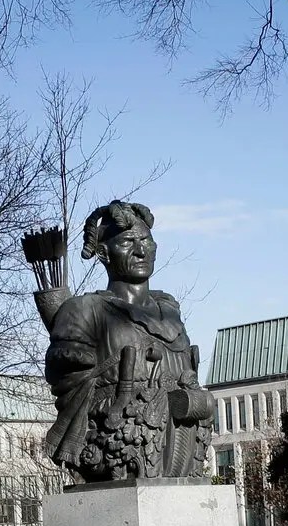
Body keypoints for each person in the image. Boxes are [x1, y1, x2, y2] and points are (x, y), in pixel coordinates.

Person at [34, 200, 215, 481]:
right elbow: (69, 384)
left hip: (182, 448)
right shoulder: (85, 311)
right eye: (128, 242)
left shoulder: (170, 311)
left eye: (146, 240)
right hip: (120, 453)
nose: (141, 250)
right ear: (104, 253)